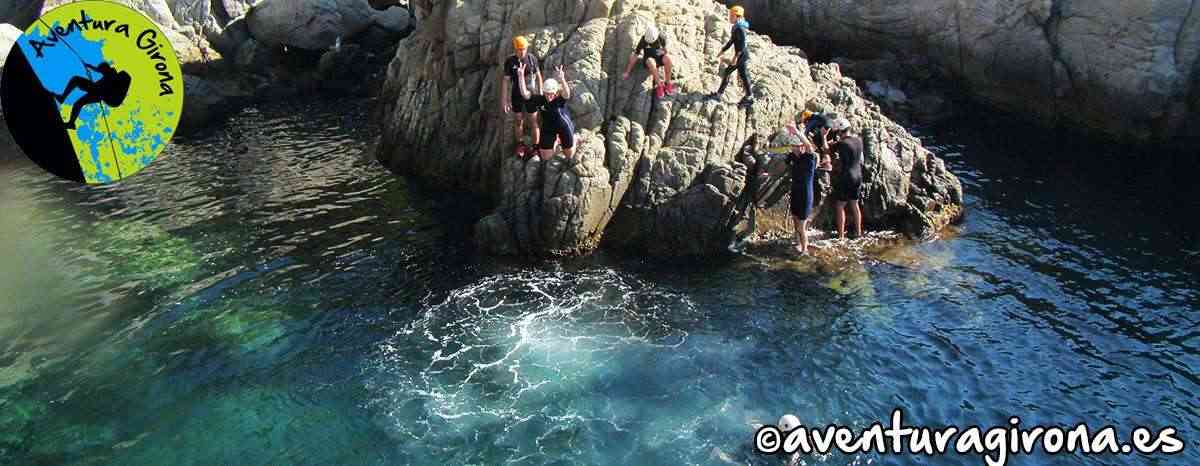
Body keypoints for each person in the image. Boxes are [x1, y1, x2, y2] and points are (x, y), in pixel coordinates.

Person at [517, 63, 574, 161]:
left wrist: (562, 79)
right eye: (547, 94)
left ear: (556, 93)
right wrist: (520, 76)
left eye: (551, 94)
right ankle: (556, 140)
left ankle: (575, 138)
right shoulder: (541, 100)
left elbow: (567, 94)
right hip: (549, 128)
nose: (549, 96)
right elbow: (525, 94)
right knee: (546, 157)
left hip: (563, 126)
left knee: (569, 156)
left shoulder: (559, 100)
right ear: (544, 92)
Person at [55, 62, 131, 130]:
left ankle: (63, 99)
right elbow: (101, 74)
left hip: (98, 93)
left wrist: (90, 67)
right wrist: (90, 67)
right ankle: (71, 122)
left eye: (101, 71)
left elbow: (101, 72)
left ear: (105, 69)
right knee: (78, 103)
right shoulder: (109, 75)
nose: (101, 72)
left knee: (76, 80)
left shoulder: (111, 74)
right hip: (99, 94)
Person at [502, 35, 544, 158]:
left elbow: (539, 76)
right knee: (518, 120)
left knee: (534, 120)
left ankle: (536, 147)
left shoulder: (531, 59)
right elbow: (505, 81)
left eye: (524, 48)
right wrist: (504, 100)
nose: (522, 51)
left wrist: (540, 94)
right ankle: (520, 145)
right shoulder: (510, 61)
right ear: (515, 49)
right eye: (520, 49)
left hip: (531, 94)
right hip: (516, 94)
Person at [780, 129, 818, 254]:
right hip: (795, 193)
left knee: (801, 226)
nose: (796, 148)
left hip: (805, 195)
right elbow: (780, 166)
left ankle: (804, 250)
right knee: (795, 221)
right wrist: (767, 173)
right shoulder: (794, 158)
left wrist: (796, 131)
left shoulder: (809, 158)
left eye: (798, 146)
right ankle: (797, 244)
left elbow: (808, 146)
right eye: (794, 147)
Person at [708, 5, 754, 107]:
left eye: (731, 15)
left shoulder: (740, 29)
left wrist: (735, 57)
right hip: (741, 55)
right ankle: (749, 97)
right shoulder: (736, 27)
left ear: (737, 16)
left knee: (729, 72)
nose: (729, 17)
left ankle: (719, 94)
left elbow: (741, 45)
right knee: (743, 75)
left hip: (741, 55)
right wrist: (722, 50)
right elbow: (732, 41)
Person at [828, 117, 864, 240]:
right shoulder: (859, 140)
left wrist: (823, 137)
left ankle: (841, 236)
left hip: (847, 176)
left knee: (840, 206)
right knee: (854, 204)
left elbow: (827, 149)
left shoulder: (842, 144)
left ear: (839, 131)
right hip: (858, 175)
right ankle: (858, 232)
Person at [622, 23, 675, 98]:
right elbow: (635, 55)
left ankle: (668, 83)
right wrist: (627, 72)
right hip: (649, 60)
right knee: (651, 62)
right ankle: (660, 85)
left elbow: (666, 50)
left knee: (668, 59)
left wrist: (662, 52)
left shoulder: (661, 37)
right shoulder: (643, 40)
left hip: (659, 58)